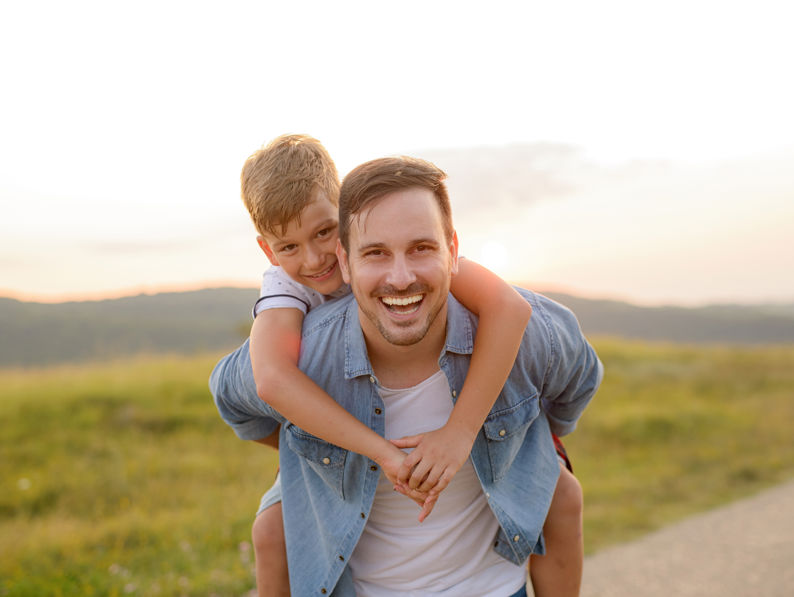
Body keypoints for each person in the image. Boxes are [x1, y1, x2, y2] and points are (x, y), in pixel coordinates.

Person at [212, 155, 602, 596]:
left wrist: (464, 432)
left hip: (495, 581)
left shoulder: (502, 316)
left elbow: (528, 329)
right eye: (289, 247)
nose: (314, 257)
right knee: (270, 528)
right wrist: (340, 448)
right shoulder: (290, 309)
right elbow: (266, 384)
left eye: (323, 232)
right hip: (348, 506)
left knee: (560, 490)